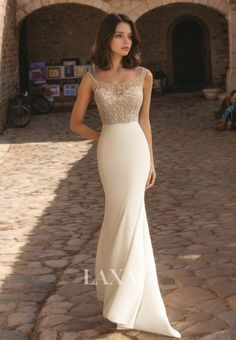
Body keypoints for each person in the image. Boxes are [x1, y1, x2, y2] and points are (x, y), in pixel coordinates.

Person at [69, 13, 181, 338]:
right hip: (110, 152)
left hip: (135, 150)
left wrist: (151, 160)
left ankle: (129, 299)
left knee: (133, 216)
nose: (126, 41)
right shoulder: (91, 78)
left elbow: (145, 120)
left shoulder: (143, 75)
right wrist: (101, 138)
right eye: (119, 35)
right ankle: (113, 289)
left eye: (129, 36)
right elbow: (75, 123)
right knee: (116, 217)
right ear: (107, 38)